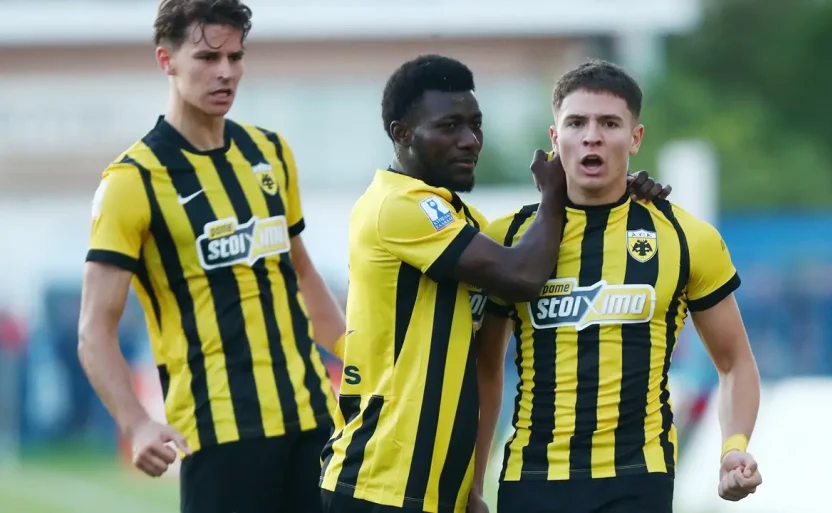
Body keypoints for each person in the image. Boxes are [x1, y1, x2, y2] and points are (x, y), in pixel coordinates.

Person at [317, 54, 672, 513]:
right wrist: (553, 192)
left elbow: (534, 255)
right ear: (401, 134)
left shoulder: (462, 220)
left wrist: (622, 195)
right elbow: (523, 276)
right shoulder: (396, 205)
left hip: (432, 489)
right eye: (449, 127)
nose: (469, 141)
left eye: (475, 125)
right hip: (378, 481)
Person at [77, 1, 344, 512]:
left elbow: (302, 274)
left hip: (313, 417)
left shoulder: (270, 153)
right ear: (166, 60)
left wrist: (357, 360)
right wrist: (137, 423)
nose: (226, 72)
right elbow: (94, 330)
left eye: (235, 57)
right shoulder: (132, 181)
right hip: (219, 432)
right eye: (206, 57)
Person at [472, 59, 763, 513]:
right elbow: (484, 369)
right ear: (555, 138)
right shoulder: (508, 238)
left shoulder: (687, 238)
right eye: (576, 123)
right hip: (532, 478)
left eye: (609, 123)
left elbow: (735, 363)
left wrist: (733, 447)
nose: (592, 136)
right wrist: (472, 485)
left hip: (637, 479)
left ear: (635, 137)